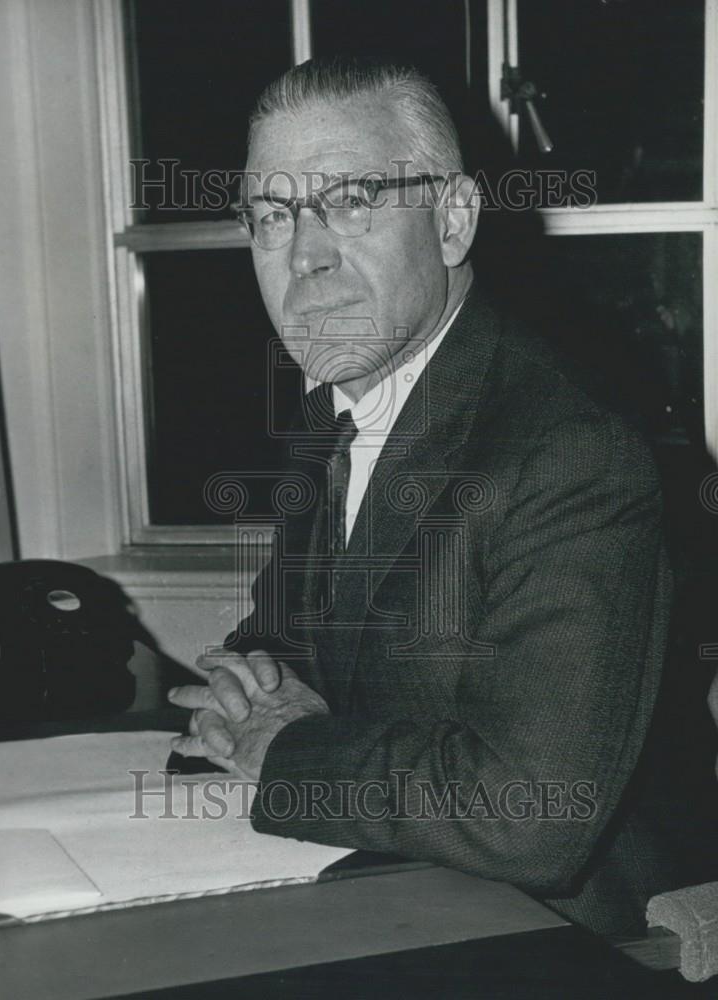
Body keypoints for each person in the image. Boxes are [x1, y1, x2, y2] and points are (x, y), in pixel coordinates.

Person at [167, 58, 696, 936]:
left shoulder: (570, 452)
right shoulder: (336, 410)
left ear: (452, 219)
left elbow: (531, 814)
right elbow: (278, 646)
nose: (304, 254)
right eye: (271, 216)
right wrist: (244, 690)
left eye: (349, 200)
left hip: (556, 947)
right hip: (373, 896)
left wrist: (285, 746)